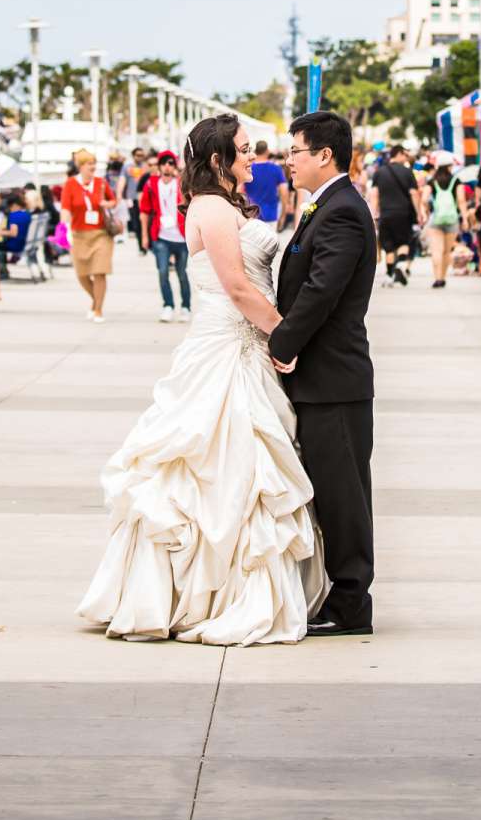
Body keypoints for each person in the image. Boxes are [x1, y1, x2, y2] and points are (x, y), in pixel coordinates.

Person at [79, 114, 327, 643]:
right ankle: (213, 593)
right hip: (228, 346)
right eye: (242, 150)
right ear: (217, 160)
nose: (252, 156)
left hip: (247, 345)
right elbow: (236, 287)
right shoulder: (212, 208)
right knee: (223, 464)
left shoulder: (227, 204)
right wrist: (289, 337)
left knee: (244, 467)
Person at [270, 110, 378, 637]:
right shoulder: (327, 205)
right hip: (321, 379)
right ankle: (337, 597)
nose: (288, 160)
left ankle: (352, 604)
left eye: (295, 151)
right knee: (330, 492)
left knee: (344, 496)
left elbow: (322, 289)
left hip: (334, 378)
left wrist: (282, 341)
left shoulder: (341, 211)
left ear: (324, 156)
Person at [64, 148, 122, 321]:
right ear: (80, 166)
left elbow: (113, 201)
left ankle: (98, 310)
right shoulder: (70, 184)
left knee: (100, 271)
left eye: (94, 163)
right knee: (81, 274)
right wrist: (63, 227)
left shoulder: (101, 182)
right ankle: (95, 301)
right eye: (89, 164)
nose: (93, 167)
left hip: (101, 233)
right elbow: (66, 208)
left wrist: (107, 204)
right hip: (80, 234)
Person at [141, 151, 191, 320]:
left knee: (182, 273)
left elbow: (190, 204)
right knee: (162, 272)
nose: (167, 166)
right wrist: (145, 237)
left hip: (181, 236)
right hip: (161, 236)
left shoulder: (181, 184)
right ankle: (168, 305)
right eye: (164, 163)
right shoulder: (151, 184)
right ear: (159, 165)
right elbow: (144, 212)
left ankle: (186, 306)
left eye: (170, 163)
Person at [372, 143, 423, 288]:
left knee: (388, 246)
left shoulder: (379, 172)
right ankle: (400, 266)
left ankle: (389, 277)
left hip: (386, 214)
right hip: (404, 214)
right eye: (405, 155)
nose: (406, 158)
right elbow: (414, 194)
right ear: (399, 154)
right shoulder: (408, 172)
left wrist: (374, 212)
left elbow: (374, 194)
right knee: (403, 243)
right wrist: (419, 213)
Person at [424, 164, 461, 289]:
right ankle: (443, 278)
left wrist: (426, 211)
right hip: (452, 219)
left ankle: (437, 278)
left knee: (436, 251)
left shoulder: (432, 181)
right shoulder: (456, 180)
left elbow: (424, 199)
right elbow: (461, 200)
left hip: (436, 219)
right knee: (446, 251)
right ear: (450, 166)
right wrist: (465, 218)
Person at [245, 139, 288, 225]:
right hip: (271, 215)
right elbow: (284, 192)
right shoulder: (276, 168)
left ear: (256, 151)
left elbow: (239, 190)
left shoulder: (248, 169)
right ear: (267, 151)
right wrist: (283, 214)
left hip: (251, 215)